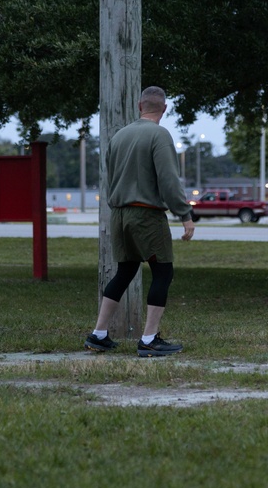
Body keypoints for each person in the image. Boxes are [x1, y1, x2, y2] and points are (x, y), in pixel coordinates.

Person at [84, 86, 196, 357]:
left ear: (139, 106)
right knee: (163, 271)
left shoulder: (119, 136)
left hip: (119, 214)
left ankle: (98, 334)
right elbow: (168, 181)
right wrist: (185, 215)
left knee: (125, 271)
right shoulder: (159, 135)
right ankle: (149, 339)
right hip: (146, 214)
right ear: (165, 109)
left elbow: (109, 177)